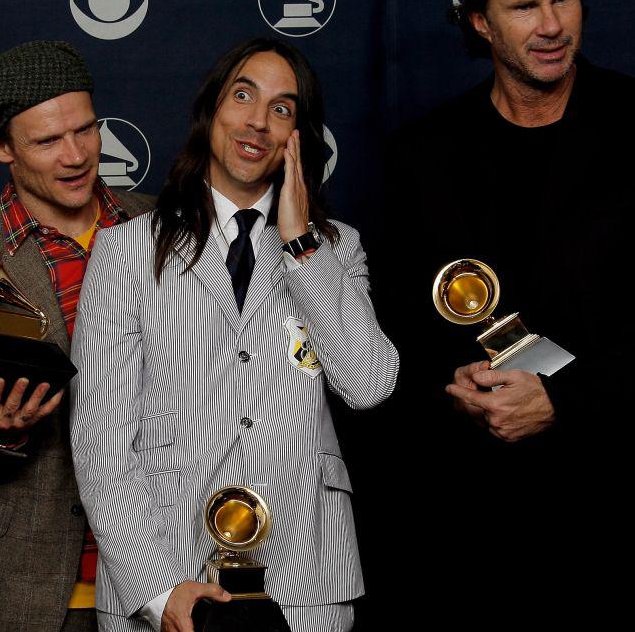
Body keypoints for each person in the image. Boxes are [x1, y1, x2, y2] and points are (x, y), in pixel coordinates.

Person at [377, 0, 635, 628]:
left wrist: (559, 400)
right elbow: (401, 328)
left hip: (615, 512)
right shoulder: (424, 152)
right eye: (524, 6)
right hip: (469, 522)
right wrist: (458, 391)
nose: (551, 26)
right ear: (480, 21)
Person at [69, 38, 399, 632]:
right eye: (243, 95)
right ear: (210, 111)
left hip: (305, 578)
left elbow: (368, 384)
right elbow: (102, 439)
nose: (257, 121)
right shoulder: (127, 249)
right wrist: (156, 587)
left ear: (301, 135)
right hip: (169, 575)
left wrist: (302, 248)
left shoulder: (334, 247)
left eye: (282, 108)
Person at [0, 40, 154, 632]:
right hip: (19, 579)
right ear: (3, 148)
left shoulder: (166, 226)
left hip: (160, 570)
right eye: (47, 141)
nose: (75, 155)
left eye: (85, 130)